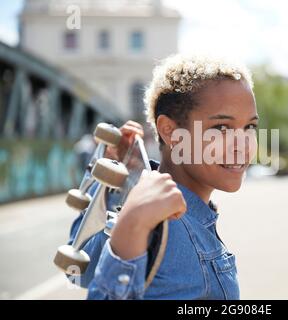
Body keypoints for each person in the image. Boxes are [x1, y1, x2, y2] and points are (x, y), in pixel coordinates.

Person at [67, 54, 259, 299]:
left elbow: (78, 267)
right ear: (170, 131)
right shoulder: (162, 222)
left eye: (249, 127)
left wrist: (111, 184)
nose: (241, 144)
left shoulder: (148, 204)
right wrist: (130, 223)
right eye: (221, 128)